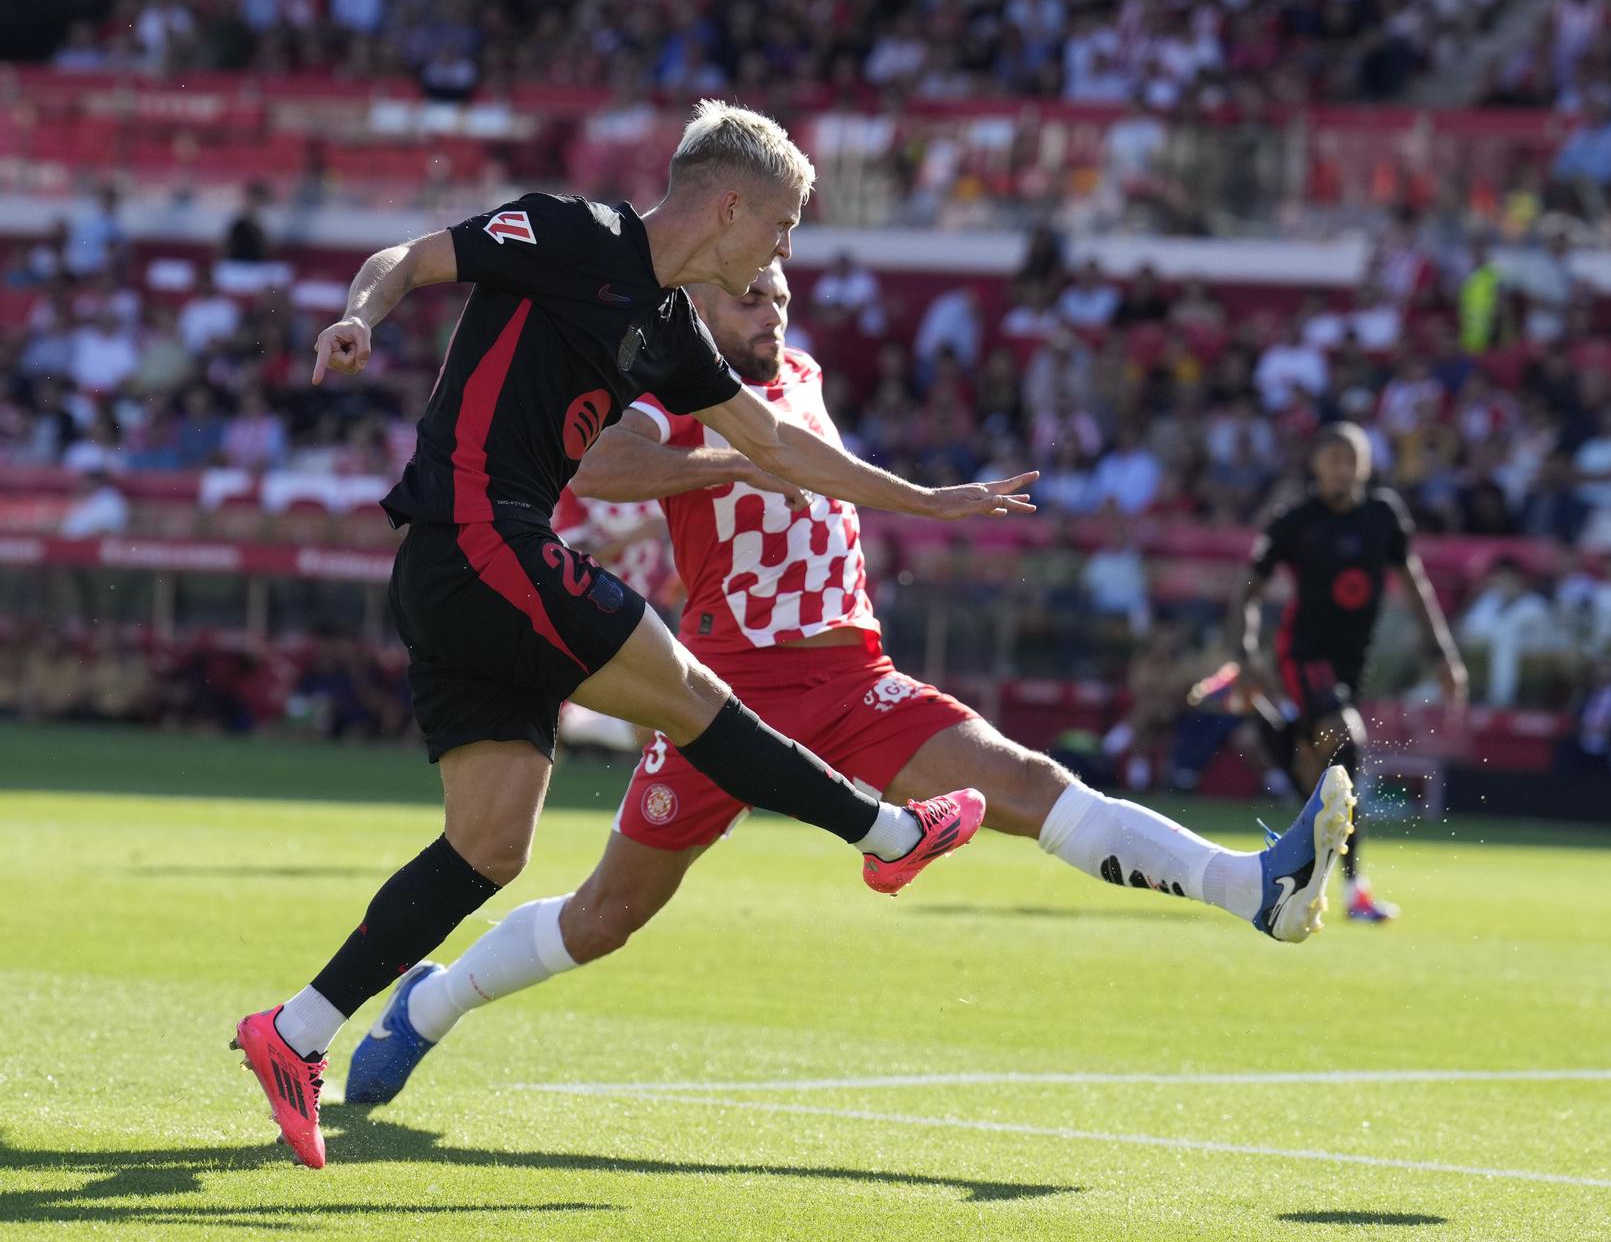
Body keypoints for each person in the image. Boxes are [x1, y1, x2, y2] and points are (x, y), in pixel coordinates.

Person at [340, 261, 1359, 1108]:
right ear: (696, 305)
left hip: (849, 675)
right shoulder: (666, 393)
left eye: (777, 289)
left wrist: (930, 501)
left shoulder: (805, 372)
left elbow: (825, 469)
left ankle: (1252, 888)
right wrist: (729, 466)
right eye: (746, 292)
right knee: (607, 913)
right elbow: (596, 468)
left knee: (1025, 780)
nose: (770, 304)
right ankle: (430, 1003)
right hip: (718, 693)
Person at [232, 102, 1037, 1170]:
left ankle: (293, 1035)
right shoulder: (572, 233)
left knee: (490, 846)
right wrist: (361, 316)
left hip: (463, 574)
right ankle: (888, 837)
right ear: (732, 203)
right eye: (785, 225)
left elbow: (776, 443)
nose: (784, 251)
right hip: (477, 538)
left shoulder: (668, 328)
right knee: (692, 696)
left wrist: (928, 501)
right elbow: (409, 258)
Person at [1234, 423, 1468, 923]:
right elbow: (1249, 587)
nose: (1343, 468)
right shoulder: (1296, 521)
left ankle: (1269, 732)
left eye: (1352, 459)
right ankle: (1352, 886)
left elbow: (1416, 585)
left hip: (1351, 664)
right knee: (1345, 741)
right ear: (1317, 464)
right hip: (1303, 653)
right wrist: (1246, 652)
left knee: (1322, 765)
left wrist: (1443, 654)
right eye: (1334, 458)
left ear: (1365, 465)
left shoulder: (1382, 516)